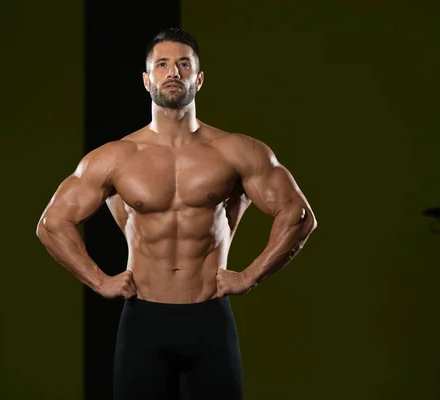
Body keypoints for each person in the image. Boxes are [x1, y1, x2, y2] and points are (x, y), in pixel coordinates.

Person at [36, 27, 317, 400]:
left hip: (209, 319)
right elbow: (52, 224)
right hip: (143, 322)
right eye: (163, 65)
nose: (173, 73)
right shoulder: (116, 157)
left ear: (198, 79)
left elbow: (297, 214)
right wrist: (99, 280)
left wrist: (250, 276)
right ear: (146, 79)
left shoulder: (236, 151)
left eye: (184, 65)